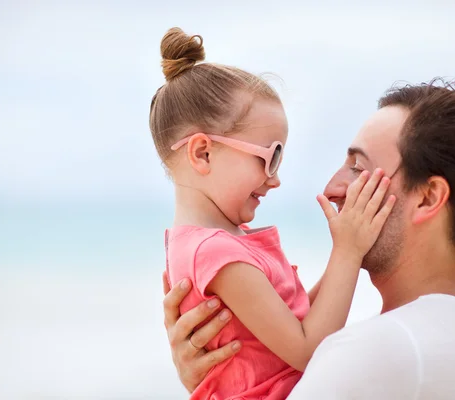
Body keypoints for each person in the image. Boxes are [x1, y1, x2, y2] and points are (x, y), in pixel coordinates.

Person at [162, 78, 455, 399]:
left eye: (358, 168)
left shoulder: (374, 354)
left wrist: (203, 384)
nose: (333, 188)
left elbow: (313, 350)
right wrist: (230, 372)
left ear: (428, 197)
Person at [150, 27, 396, 400]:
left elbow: (300, 323)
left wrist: (349, 250)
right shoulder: (217, 253)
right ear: (203, 153)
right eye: (270, 156)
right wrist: (347, 251)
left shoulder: (222, 243)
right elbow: (307, 350)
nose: (276, 179)